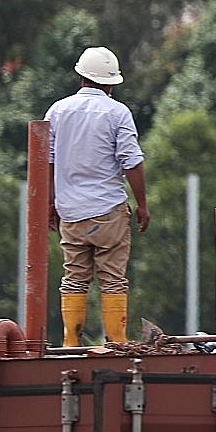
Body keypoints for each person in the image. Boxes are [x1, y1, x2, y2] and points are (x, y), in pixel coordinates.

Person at [45, 46, 149, 347]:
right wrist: (142, 205)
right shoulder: (118, 113)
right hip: (109, 212)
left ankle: (71, 343)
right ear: (111, 83)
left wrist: (49, 203)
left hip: (70, 212)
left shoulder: (57, 111)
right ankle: (115, 341)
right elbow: (132, 161)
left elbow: (46, 160)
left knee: (74, 277)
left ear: (81, 76)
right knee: (113, 278)